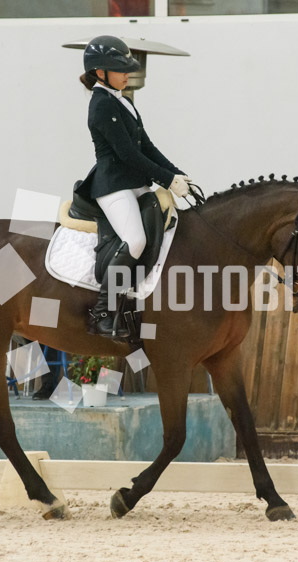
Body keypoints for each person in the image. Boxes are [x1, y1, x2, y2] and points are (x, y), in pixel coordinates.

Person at [76, 35, 191, 338]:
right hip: (113, 186)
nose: (128, 74)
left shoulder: (122, 101)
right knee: (136, 241)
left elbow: (147, 147)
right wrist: (167, 180)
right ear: (100, 72)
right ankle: (103, 311)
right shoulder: (101, 105)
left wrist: (179, 175)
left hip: (135, 183)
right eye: (121, 69)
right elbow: (128, 155)